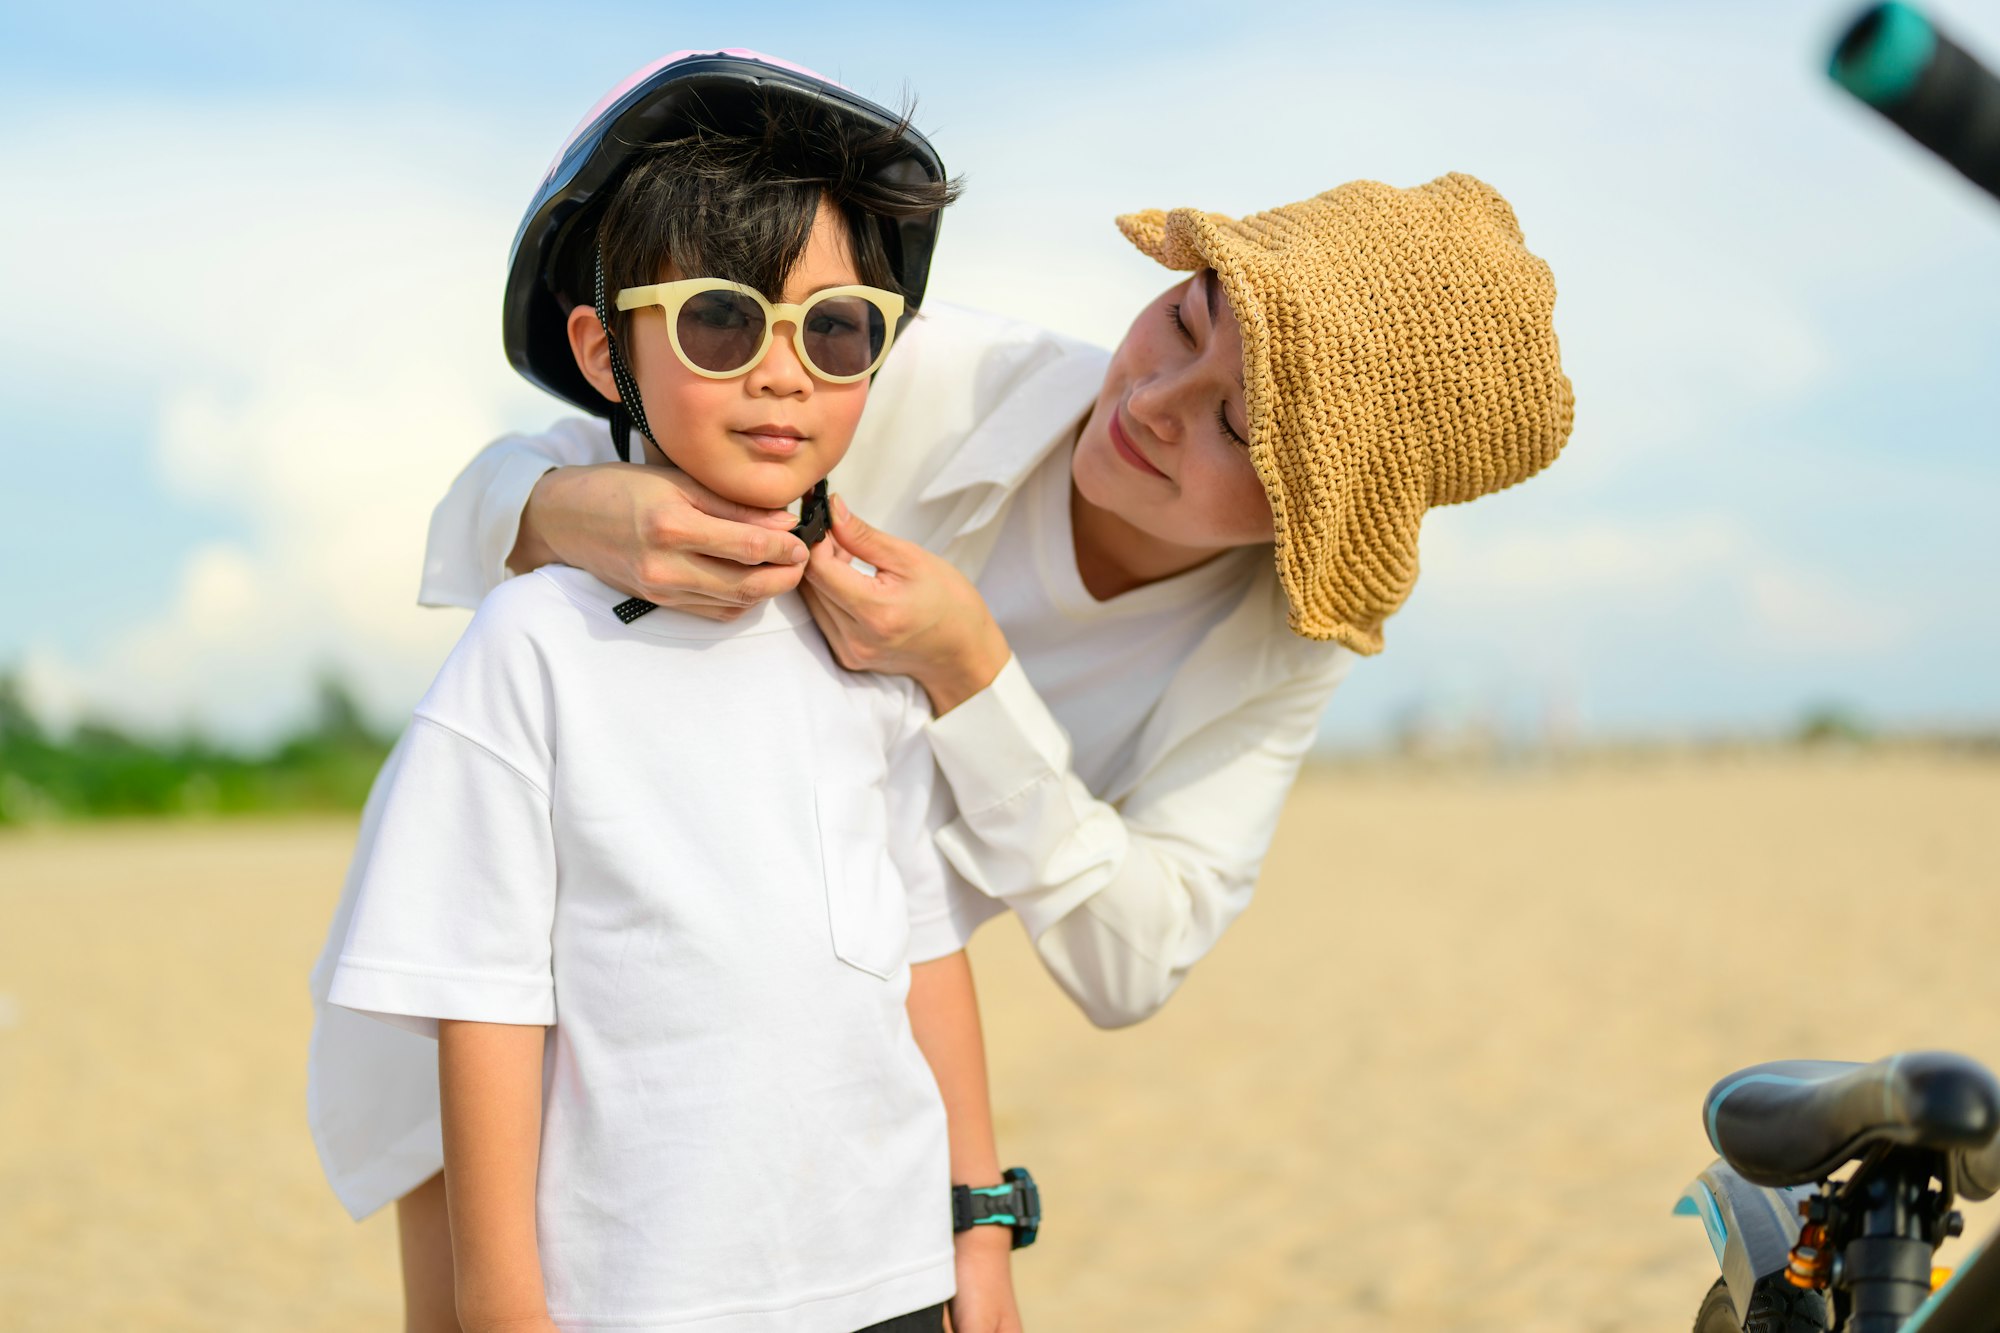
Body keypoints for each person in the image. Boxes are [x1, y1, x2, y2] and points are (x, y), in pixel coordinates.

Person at [312, 49, 1577, 1326]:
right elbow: (498, 496)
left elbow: (1128, 953)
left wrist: (971, 675)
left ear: (1309, 518)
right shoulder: (878, 356)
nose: (1148, 400)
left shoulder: (1268, 645)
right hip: (574, 963)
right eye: (1185, 323)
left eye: (1239, 427)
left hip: (841, 1055)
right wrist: (564, 504)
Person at [324, 60, 1023, 1333]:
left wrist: (980, 1239)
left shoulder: (863, 629)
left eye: (835, 327)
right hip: (646, 1294)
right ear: (604, 351)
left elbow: (923, 946)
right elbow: (479, 1004)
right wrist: (502, 1309)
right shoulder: (535, 643)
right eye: (718, 319)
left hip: (894, 1274)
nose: (781, 372)